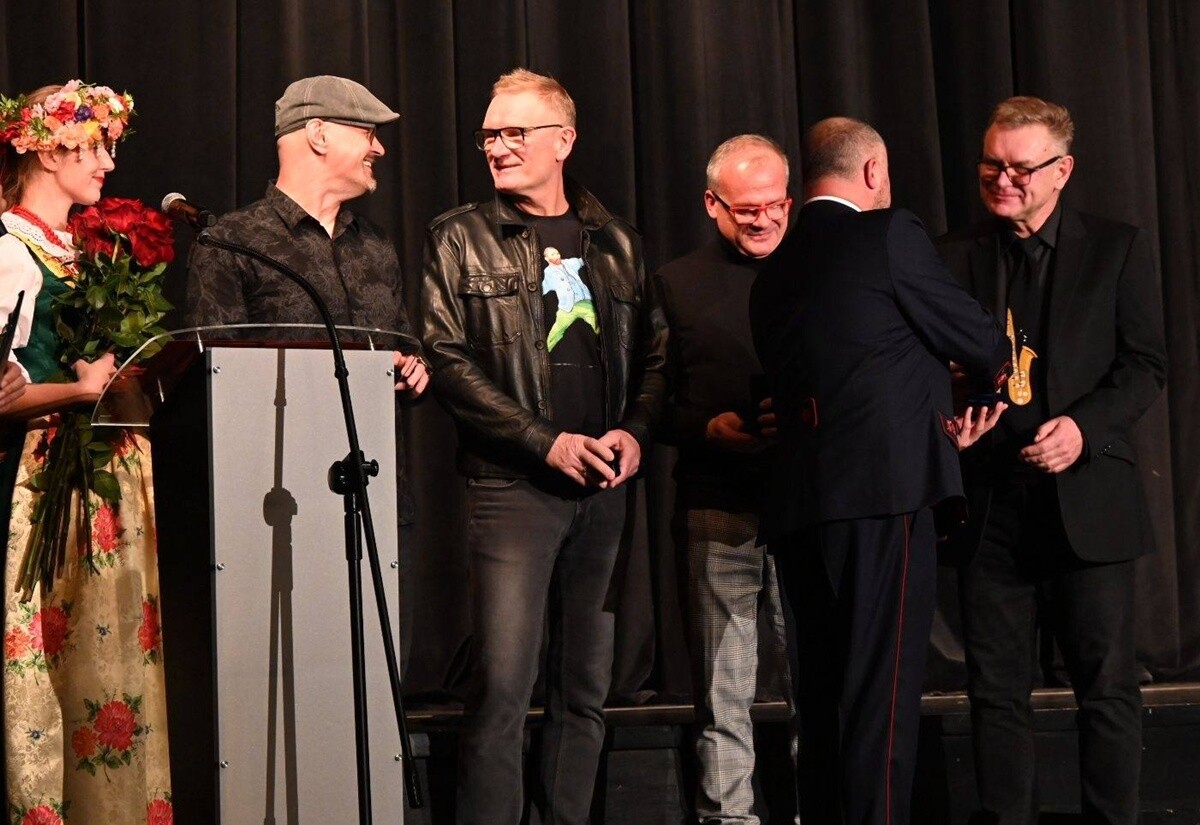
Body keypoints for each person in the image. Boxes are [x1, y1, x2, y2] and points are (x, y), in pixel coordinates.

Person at [419, 68, 667, 825]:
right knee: (502, 688)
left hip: (604, 490)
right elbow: (445, 359)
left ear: (563, 140)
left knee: (584, 688)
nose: (497, 147)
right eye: (489, 135)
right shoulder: (459, 237)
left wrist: (634, 432)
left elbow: (656, 358)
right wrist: (544, 441)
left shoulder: (618, 242)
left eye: (514, 132)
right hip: (511, 488)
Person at [749, 117, 1010, 825]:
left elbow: (848, 362)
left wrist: (924, 394)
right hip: (884, 496)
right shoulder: (888, 233)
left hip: (801, 507)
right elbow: (981, 339)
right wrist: (977, 389)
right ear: (873, 171)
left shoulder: (772, 273)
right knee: (881, 700)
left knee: (823, 697)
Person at [937, 96, 1167, 825]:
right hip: (991, 505)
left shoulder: (1116, 248)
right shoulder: (950, 256)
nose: (1002, 179)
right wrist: (946, 420)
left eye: (1020, 168)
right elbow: (924, 368)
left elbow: (1144, 365)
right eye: (990, 164)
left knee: (1107, 690)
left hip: (1087, 501)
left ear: (1062, 170)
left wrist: (1083, 429)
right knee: (995, 694)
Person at [185, 74, 429, 673]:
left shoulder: (375, 246)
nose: (379, 148)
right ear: (317, 134)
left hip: (375, 495)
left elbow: (402, 341)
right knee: (299, 670)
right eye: (367, 133)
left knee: (376, 670)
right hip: (277, 507)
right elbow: (213, 378)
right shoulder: (233, 242)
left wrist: (411, 366)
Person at [0, 80, 173, 822]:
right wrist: (78, 390)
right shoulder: (11, 251)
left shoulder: (82, 251)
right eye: (94, 147)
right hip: (41, 478)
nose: (107, 164)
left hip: (102, 475)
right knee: (46, 656)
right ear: (48, 150)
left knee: (103, 663)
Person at [655, 134, 794, 824]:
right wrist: (706, 428)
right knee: (721, 691)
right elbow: (649, 402)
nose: (763, 220)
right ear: (712, 205)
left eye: (776, 206)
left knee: (819, 684)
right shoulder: (675, 283)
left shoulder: (821, 271)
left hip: (807, 506)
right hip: (717, 501)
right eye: (746, 210)